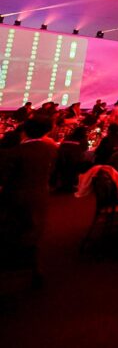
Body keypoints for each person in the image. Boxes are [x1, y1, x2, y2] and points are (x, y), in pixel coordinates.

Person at [0, 119, 59, 282]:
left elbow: (4, 177)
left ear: (24, 131)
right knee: (33, 231)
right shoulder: (51, 149)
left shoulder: (15, 152)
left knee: (12, 231)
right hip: (40, 196)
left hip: (15, 197)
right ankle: (34, 269)